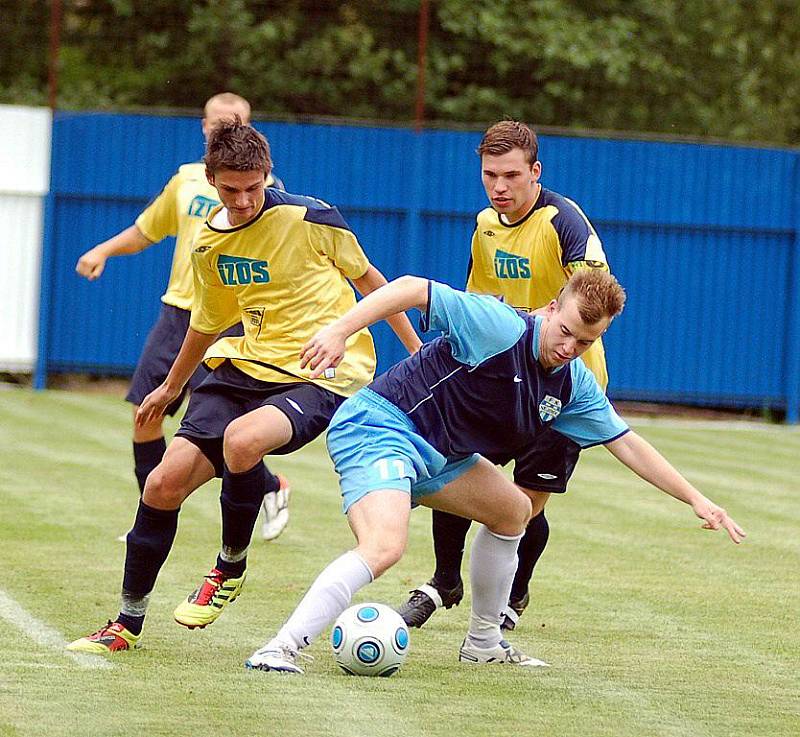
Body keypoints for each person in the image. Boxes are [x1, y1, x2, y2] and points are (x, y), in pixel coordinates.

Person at [244, 269, 745, 674]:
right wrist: (339, 330)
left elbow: (629, 444)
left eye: (584, 340)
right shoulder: (499, 326)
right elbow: (411, 288)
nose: (569, 346)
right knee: (385, 546)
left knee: (513, 511)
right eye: (565, 330)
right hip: (382, 425)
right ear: (551, 308)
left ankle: (483, 642)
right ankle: (280, 648)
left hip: (440, 457)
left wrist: (697, 499)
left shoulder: (574, 385)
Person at [66, 119, 421, 654]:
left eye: (254, 187)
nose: (244, 199)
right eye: (231, 189)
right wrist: (169, 386)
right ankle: (125, 623)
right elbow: (206, 323)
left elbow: (373, 281)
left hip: (323, 373)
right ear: (211, 180)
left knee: (243, 440)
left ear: (267, 175)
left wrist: (419, 355)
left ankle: (230, 565)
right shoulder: (209, 240)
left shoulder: (311, 217)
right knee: (161, 485)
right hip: (242, 366)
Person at [399, 119, 611, 631]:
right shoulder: (484, 225)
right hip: (503, 382)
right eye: (490, 175)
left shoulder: (563, 221)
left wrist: (535, 325)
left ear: (535, 172)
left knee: (522, 505)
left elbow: (598, 293)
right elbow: (476, 300)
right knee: (454, 470)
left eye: (511, 175)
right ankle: (443, 580)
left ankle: (511, 598)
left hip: (564, 387)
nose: (499, 186)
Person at [75, 93, 290, 542]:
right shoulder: (187, 181)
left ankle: (270, 485)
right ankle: (149, 513)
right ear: (203, 126)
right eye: (217, 122)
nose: (223, 128)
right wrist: (103, 250)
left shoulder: (265, 191)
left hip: (233, 321)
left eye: (235, 122)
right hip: (180, 312)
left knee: (225, 426)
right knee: (146, 412)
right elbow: (146, 230)